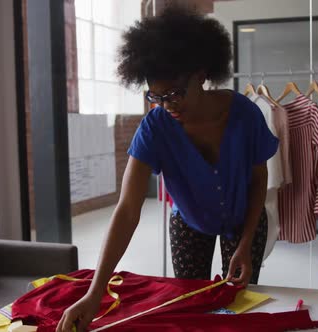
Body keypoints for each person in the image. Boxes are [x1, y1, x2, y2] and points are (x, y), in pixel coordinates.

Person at [56, 5, 278, 332]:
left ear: (201, 75)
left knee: (237, 304)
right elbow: (127, 210)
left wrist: (245, 244)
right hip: (188, 222)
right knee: (191, 307)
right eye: (156, 96)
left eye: (174, 93)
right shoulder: (155, 128)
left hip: (245, 220)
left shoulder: (244, 114)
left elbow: (260, 179)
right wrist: (95, 292)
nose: (167, 105)